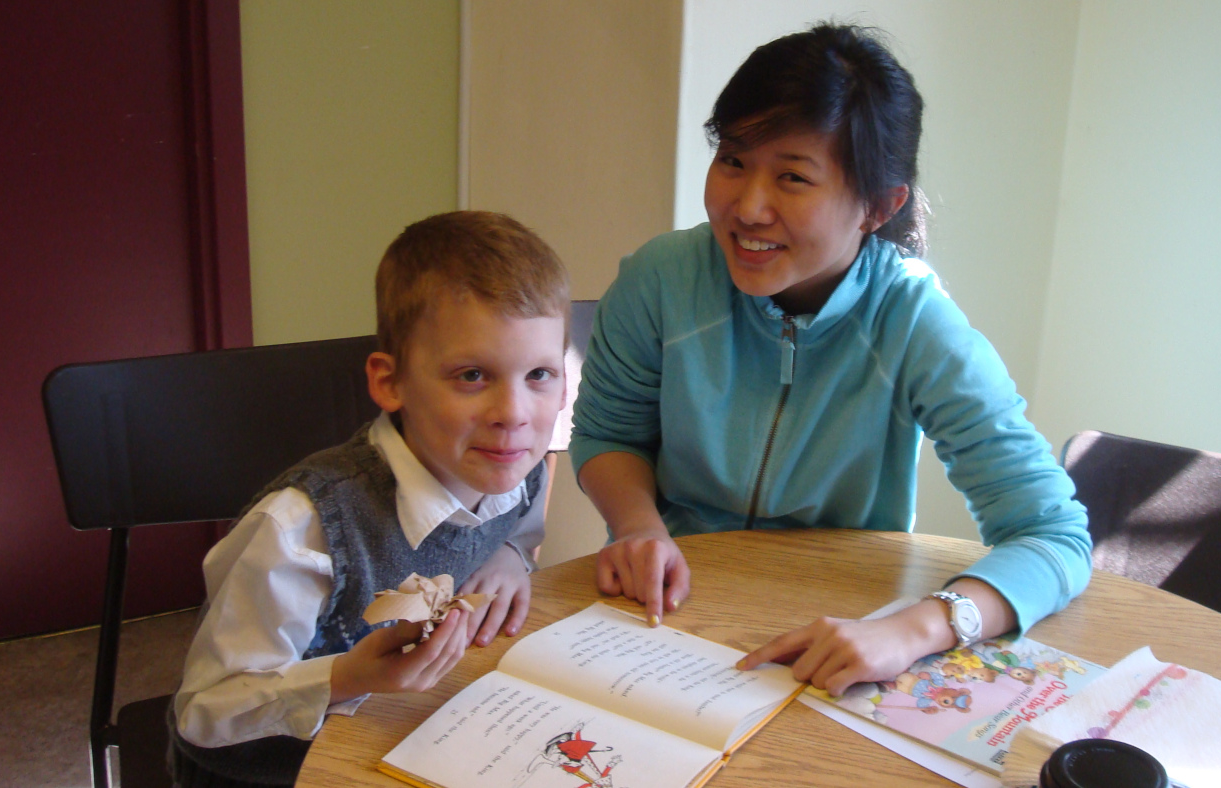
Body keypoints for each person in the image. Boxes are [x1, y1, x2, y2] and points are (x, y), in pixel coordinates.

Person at [569, 23, 1091, 698]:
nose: (747, 207)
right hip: (667, 614)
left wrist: (913, 629)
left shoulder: (914, 322)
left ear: (879, 206)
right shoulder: (661, 279)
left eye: (791, 176)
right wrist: (639, 527)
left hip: (845, 634)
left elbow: (1053, 536)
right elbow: (608, 434)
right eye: (732, 160)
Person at [169, 211, 571, 787]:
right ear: (390, 382)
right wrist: (344, 679)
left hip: (398, 739)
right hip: (265, 771)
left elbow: (518, 523)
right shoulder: (301, 529)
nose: (515, 414)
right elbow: (203, 711)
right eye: (472, 375)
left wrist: (509, 554)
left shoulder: (514, 466)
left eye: (539, 374)